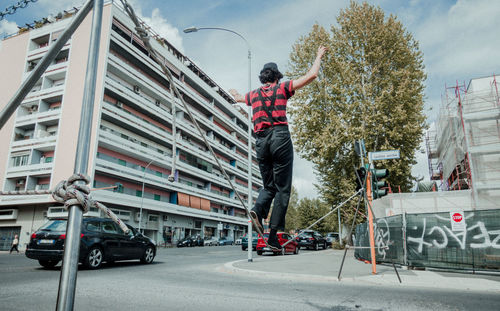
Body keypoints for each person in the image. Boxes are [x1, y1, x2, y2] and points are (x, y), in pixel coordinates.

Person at [229, 46, 327, 250]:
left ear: (263, 78)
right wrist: (318, 56)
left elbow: (238, 98)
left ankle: (258, 209)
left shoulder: (253, 95)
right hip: (280, 137)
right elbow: (312, 75)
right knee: (282, 189)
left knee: (269, 186)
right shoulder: (282, 88)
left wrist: (235, 93)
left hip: (261, 140)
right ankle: (273, 235)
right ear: (277, 77)